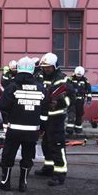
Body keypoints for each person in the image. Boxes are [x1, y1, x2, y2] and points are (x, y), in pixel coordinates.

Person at [0, 57, 49, 192]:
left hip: (14, 129)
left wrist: (13, 111)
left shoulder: (12, 86)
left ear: (18, 69)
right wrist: (42, 127)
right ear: (33, 69)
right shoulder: (40, 88)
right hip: (32, 131)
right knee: (27, 157)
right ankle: (23, 183)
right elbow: (44, 111)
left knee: (8, 156)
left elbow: (3, 105)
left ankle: (5, 182)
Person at [34, 52, 74, 186]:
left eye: (49, 67)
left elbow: (71, 99)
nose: (46, 69)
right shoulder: (39, 76)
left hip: (56, 117)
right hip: (44, 117)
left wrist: (59, 102)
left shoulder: (62, 79)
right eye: (44, 67)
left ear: (55, 66)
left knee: (57, 145)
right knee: (46, 144)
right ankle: (49, 167)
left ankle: (60, 173)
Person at [66, 66, 92, 135]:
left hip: (80, 101)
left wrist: (89, 99)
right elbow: (66, 87)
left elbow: (89, 90)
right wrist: (72, 90)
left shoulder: (85, 80)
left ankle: (78, 128)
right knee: (71, 114)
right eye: (77, 76)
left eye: (80, 76)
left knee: (79, 114)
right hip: (72, 100)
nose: (78, 77)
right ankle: (69, 129)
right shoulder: (70, 79)